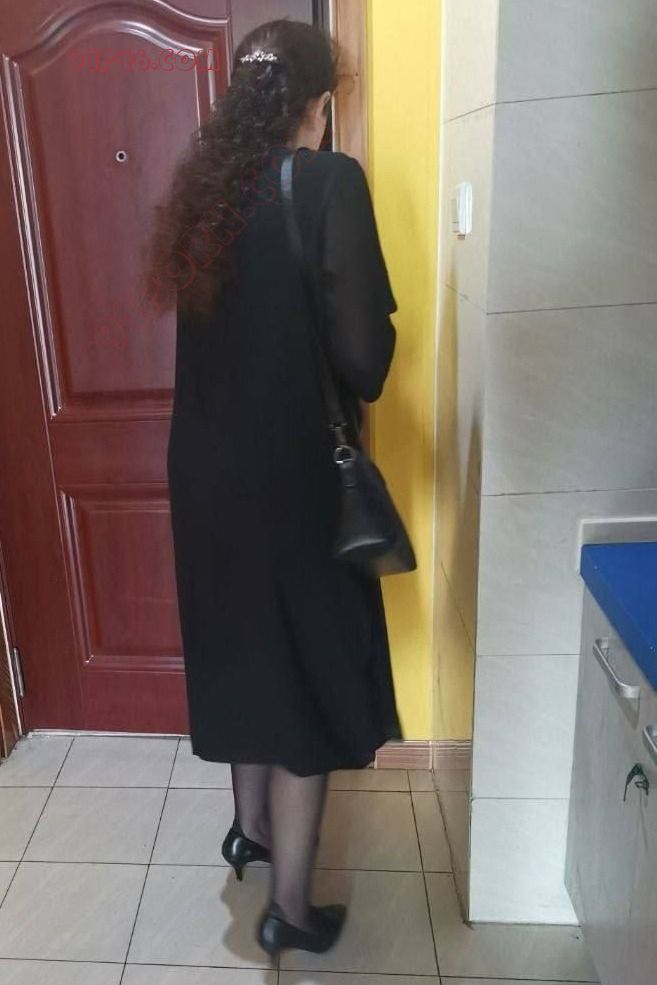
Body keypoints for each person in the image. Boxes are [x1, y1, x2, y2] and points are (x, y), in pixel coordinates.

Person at [145, 17, 402, 958]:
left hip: (205, 479)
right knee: (304, 670)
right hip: (294, 482)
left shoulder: (206, 197)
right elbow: (364, 363)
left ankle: (250, 832)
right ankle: (290, 906)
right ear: (318, 103)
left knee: (245, 651)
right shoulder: (328, 181)